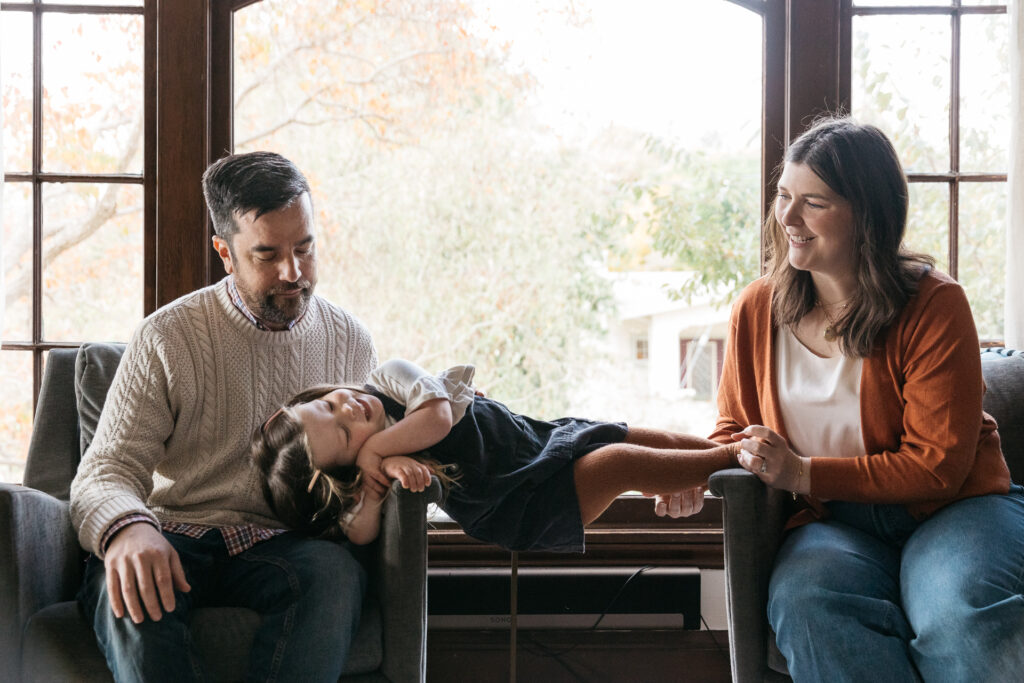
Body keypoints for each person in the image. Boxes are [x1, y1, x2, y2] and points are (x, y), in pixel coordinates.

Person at [706, 116, 1023, 681]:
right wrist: (691, 474)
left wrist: (802, 471)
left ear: (868, 215)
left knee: (959, 613)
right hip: (832, 523)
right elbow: (734, 431)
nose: (788, 218)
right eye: (784, 196)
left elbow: (937, 469)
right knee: (807, 604)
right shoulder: (756, 310)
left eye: (815, 203)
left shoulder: (934, 304)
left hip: (958, 510)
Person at [69, 151, 377, 682]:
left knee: (335, 575)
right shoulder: (167, 336)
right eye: (268, 254)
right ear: (225, 253)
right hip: (173, 533)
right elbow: (106, 470)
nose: (294, 273)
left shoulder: (349, 340)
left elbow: (385, 432)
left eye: (304, 248)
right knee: (128, 586)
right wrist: (127, 530)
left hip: (285, 544)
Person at [252, 358, 741, 552]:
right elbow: (359, 533)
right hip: (521, 503)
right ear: (346, 469)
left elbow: (438, 419)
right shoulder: (372, 471)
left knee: (641, 436)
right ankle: (742, 461)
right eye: (343, 433)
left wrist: (374, 448)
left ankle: (732, 456)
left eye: (328, 403)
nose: (349, 408)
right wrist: (375, 484)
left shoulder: (386, 379)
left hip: (537, 441)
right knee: (619, 462)